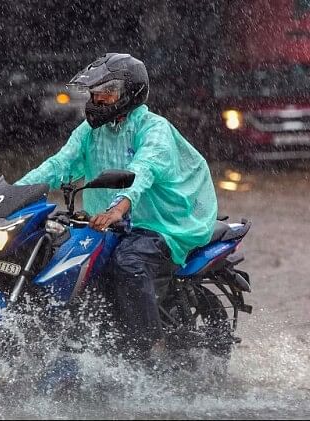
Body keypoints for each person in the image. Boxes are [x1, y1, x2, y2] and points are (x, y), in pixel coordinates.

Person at [16, 53, 218, 361]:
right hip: (108, 221)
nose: (97, 99)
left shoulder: (154, 129)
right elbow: (59, 164)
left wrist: (117, 209)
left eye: (106, 93)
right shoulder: (90, 131)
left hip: (164, 223)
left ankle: (150, 349)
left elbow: (143, 169)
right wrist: (13, 195)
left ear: (130, 94)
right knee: (57, 251)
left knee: (128, 260)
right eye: (95, 93)